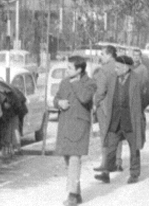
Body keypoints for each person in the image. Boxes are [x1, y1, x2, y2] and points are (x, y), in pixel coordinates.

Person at [93, 55, 149, 185]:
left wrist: (138, 109)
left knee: (134, 147)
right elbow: (103, 93)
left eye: (118, 67)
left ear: (126, 68)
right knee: (110, 145)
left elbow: (147, 95)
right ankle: (106, 173)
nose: (115, 69)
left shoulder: (137, 79)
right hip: (115, 118)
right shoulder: (112, 78)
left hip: (131, 119)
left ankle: (134, 174)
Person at [54, 55, 97, 206]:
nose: (66, 71)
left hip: (79, 126)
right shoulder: (64, 82)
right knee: (68, 159)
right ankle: (77, 193)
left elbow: (85, 98)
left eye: (69, 68)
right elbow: (56, 98)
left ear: (79, 70)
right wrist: (59, 102)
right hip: (65, 124)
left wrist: (76, 82)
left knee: (74, 159)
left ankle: (72, 195)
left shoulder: (90, 83)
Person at [93, 44, 118, 172]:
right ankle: (116, 161)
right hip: (118, 106)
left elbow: (100, 91)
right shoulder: (120, 67)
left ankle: (105, 164)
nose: (101, 57)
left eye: (102, 54)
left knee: (105, 135)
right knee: (116, 135)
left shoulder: (104, 70)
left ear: (109, 54)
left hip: (105, 107)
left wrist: (95, 104)